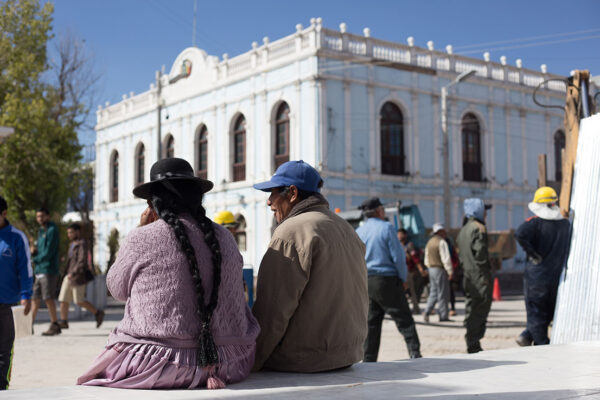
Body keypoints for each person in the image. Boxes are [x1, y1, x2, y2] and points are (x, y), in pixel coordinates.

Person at [78, 158, 259, 389]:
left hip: (158, 365)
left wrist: (141, 230)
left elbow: (117, 290)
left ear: (154, 203)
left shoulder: (142, 238)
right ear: (196, 198)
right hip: (231, 361)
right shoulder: (225, 237)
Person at [251, 160, 368, 372]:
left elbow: (272, 311)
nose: (269, 202)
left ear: (292, 193)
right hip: (347, 355)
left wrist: (252, 362)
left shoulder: (291, 232)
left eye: (273, 193)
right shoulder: (345, 227)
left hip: (304, 359)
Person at [357, 197, 422, 361]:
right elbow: (398, 257)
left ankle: (368, 359)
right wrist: (403, 277)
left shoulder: (359, 231)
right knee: (404, 318)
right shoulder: (387, 228)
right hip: (386, 279)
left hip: (367, 280)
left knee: (371, 322)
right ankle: (415, 353)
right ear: (379, 211)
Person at [515, 186, 570, 346]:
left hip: (536, 277)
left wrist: (533, 254)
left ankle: (542, 345)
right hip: (555, 277)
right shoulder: (565, 225)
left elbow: (519, 234)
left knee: (536, 314)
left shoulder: (535, 223)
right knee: (548, 313)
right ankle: (526, 336)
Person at [0, 196, 33, 390]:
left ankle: (2, 387)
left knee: (4, 350)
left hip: (9, 304)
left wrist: (26, 295)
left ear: (4, 214)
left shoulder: (16, 237)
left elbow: (25, 269)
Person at [456, 198, 493, 353]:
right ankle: (474, 340)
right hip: (479, 274)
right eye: (484, 210)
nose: (486, 214)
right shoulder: (479, 228)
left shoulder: (463, 229)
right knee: (481, 307)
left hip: (467, 275)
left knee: (471, 307)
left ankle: (471, 339)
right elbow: (481, 254)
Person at [57, 222, 104, 330]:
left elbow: (82, 261)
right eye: (68, 233)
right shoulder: (72, 244)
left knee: (79, 301)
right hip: (68, 276)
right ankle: (64, 321)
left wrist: (73, 273)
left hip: (77, 277)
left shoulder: (82, 243)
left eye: (71, 232)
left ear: (77, 232)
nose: (69, 235)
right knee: (63, 299)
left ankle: (98, 313)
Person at [30, 207, 61, 336]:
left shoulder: (52, 230)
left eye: (42, 216)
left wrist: (35, 258)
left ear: (48, 216)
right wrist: (34, 250)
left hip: (49, 269)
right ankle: (28, 325)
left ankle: (55, 324)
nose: (40, 219)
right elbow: (41, 249)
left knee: (48, 297)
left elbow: (49, 252)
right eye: (38, 216)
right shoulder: (40, 231)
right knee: (35, 298)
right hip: (39, 269)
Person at [423, 223, 453, 323]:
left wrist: (428, 267)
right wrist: (450, 271)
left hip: (431, 269)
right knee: (442, 293)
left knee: (433, 292)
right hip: (440, 269)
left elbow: (426, 259)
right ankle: (443, 316)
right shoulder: (441, 242)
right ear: (440, 232)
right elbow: (446, 258)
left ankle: (427, 311)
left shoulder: (429, 242)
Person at [397, 228, 427, 315]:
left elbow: (415, 259)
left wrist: (421, 269)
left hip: (408, 271)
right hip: (399, 271)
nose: (399, 236)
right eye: (398, 234)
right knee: (401, 292)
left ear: (405, 235)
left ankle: (416, 309)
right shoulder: (397, 245)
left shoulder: (409, 245)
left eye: (400, 234)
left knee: (411, 291)